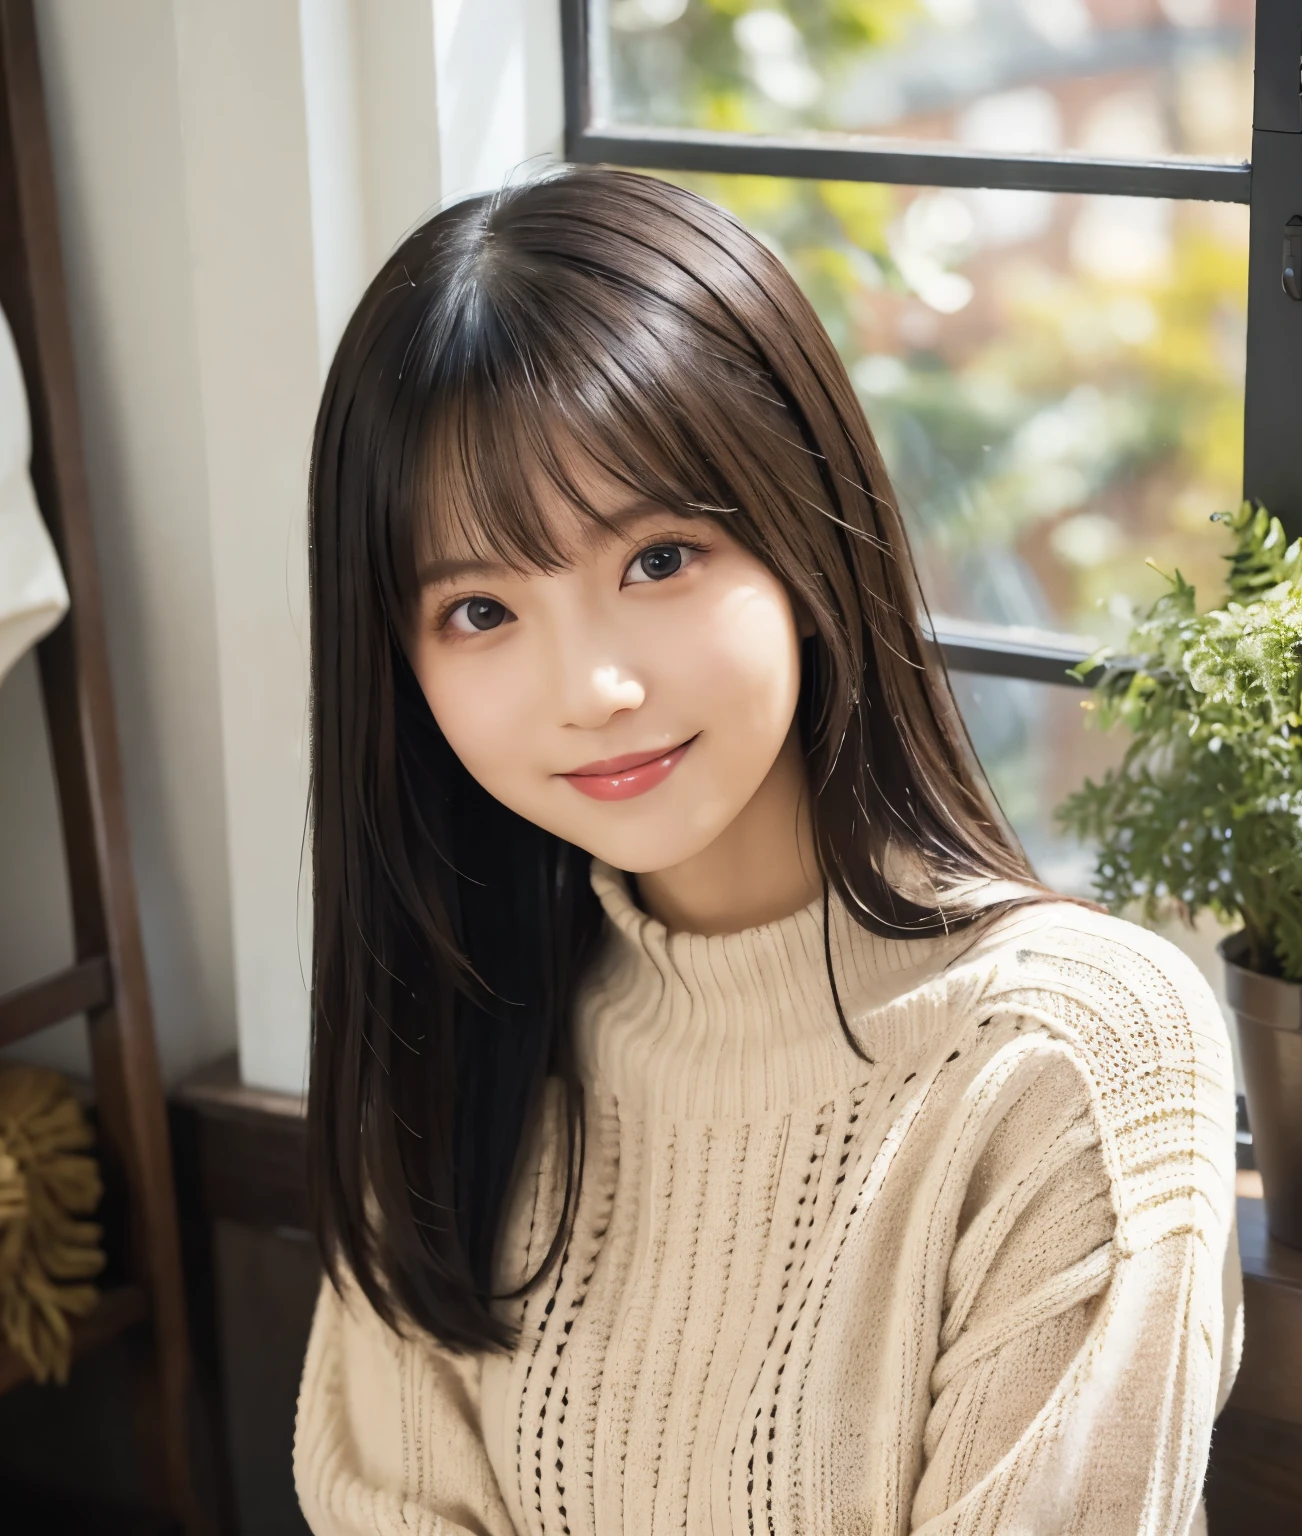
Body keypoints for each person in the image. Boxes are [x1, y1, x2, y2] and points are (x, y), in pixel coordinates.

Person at [293, 167, 1240, 1536]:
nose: (593, 687)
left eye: (659, 561)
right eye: (482, 608)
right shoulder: (448, 1047)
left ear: (806, 544)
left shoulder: (1072, 1055)